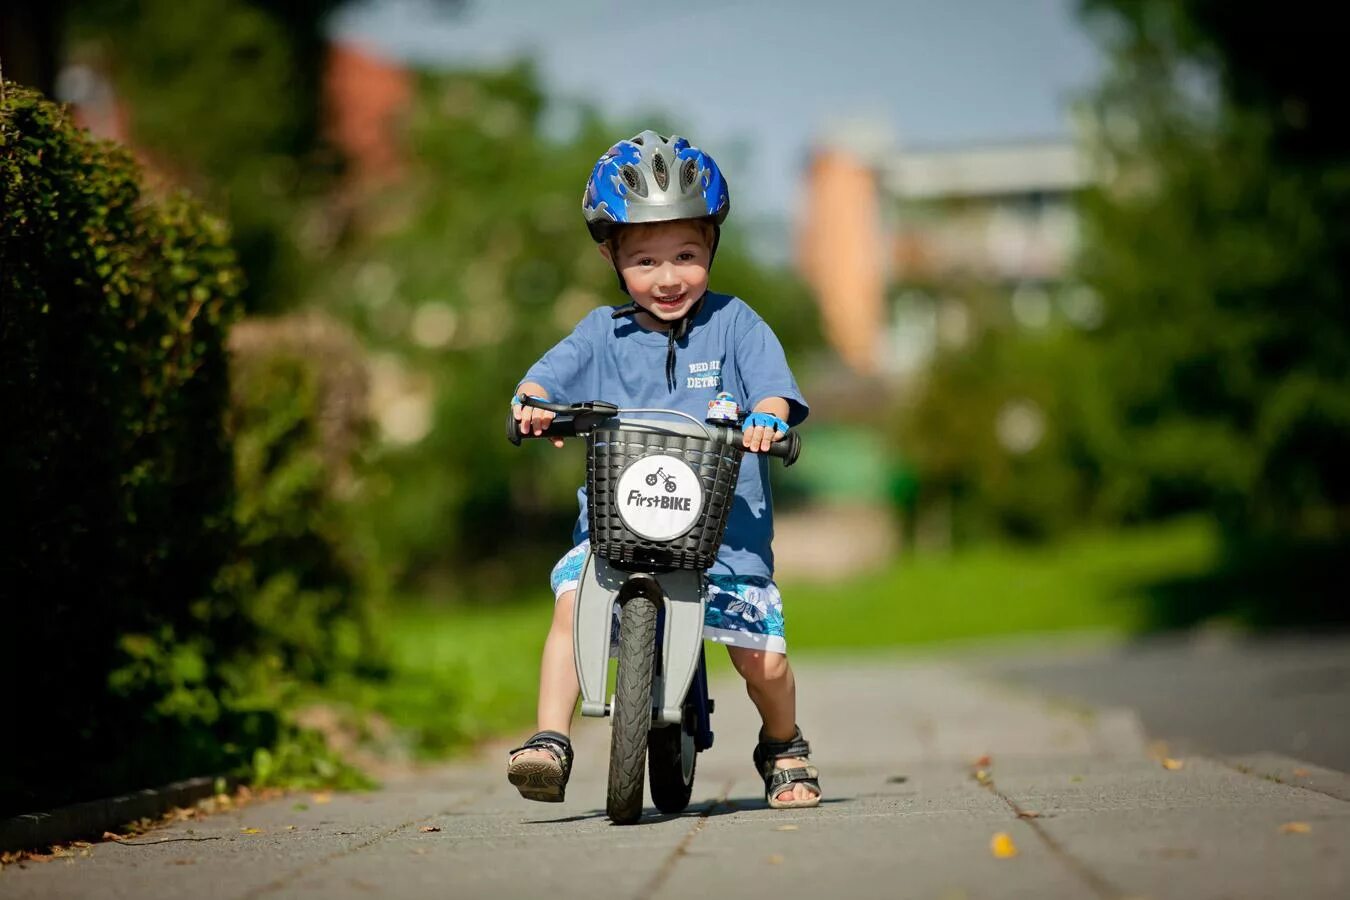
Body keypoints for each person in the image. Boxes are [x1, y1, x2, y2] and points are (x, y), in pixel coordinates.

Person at [506, 131, 820, 810]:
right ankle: (549, 740)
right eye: (645, 259)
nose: (668, 276)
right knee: (571, 607)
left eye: (686, 254)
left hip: (725, 536)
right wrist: (533, 405)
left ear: (711, 246)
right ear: (610, 255)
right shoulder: (600, 334)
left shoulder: (735, 324)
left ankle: (784, 744)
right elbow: (544, 379)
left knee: (761, 659)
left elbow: (772, 389)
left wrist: (767, 418)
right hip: (618, 529)